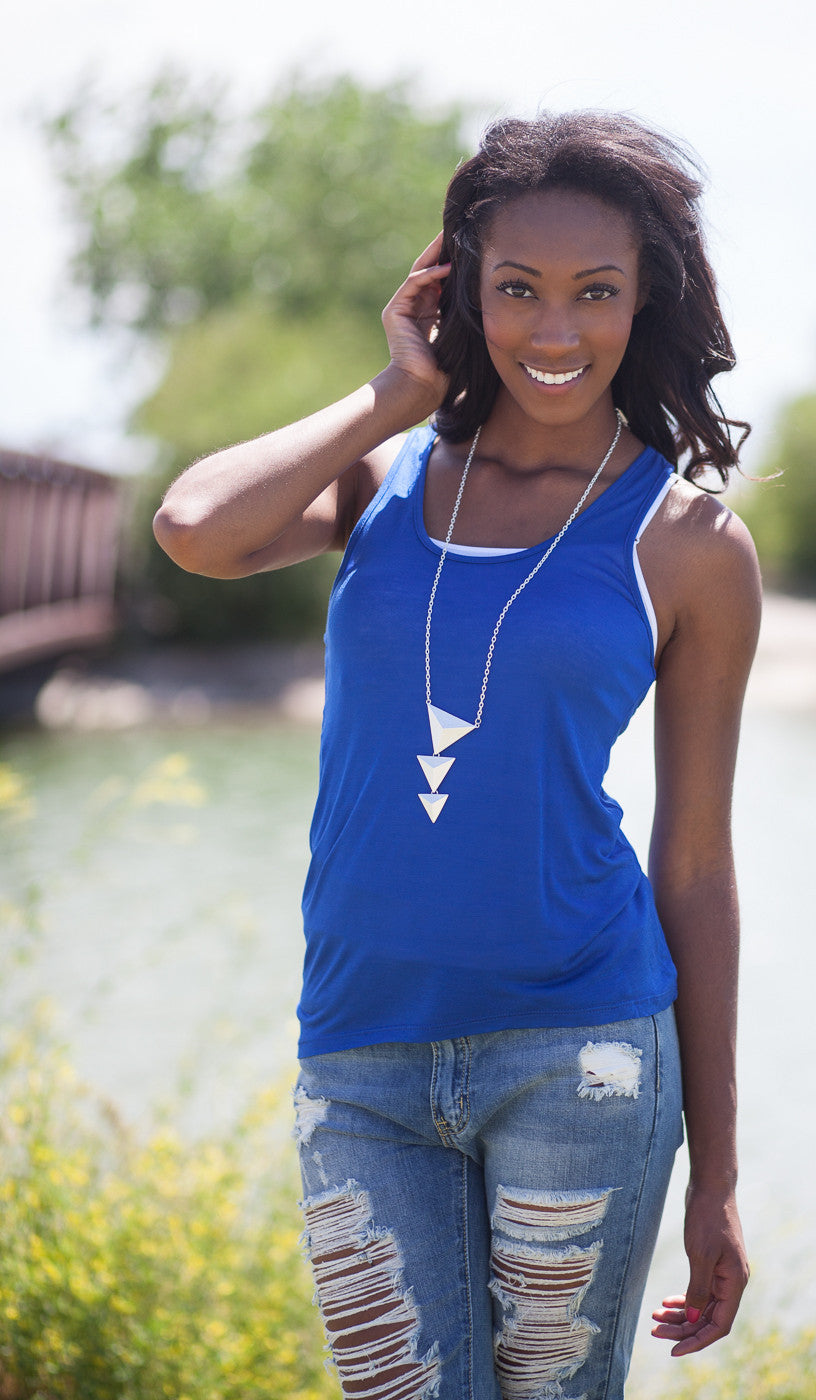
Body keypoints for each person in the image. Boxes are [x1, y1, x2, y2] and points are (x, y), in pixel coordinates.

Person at [154, 110, 760, 1400]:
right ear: (458, 294)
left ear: (645, 299)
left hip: (584, 1047)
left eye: (596, 292)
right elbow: (195, 528)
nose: (555, 331)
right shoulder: (383, 480)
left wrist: (716, 1172)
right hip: (359, 1051)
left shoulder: (690, 543)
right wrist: (397, 392)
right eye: (517, 289)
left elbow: (697, 861)